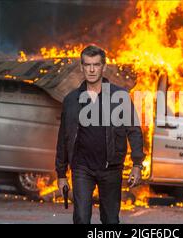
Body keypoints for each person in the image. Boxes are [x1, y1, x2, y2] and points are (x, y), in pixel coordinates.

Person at [55, 45, 145, 224]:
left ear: (103, 67)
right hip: (82, 168)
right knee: (81, 217)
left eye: (96, 65)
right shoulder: (71, 100)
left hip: (111, 168)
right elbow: (63, 138)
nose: (91, 69)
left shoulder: (119, 97)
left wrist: (137, 164)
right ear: (82, 67)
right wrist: (61, 174)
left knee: (111, 220)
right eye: (87, 65)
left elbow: (134, 130)